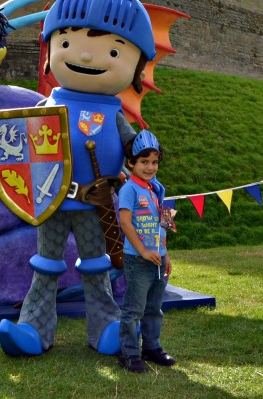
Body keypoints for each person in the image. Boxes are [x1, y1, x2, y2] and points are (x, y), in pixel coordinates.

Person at [0, 0, 157, 357]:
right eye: (67, 42)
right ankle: (33, 329)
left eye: (114, 52)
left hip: (95, 203)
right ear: (50, 48)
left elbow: (134, 147)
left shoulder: (115, 113)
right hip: (50, 199)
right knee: (46, 265)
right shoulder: (47, 107)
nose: (85, 56)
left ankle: (105, 326)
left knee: (97, 265)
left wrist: (146, 148)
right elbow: (19, 145)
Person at [117, 130, 175, 373]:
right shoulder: (129, 190)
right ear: (131, 163)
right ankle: (129, 353)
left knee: (154, 307)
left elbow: (163, 224)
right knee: (134, 308)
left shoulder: (157, 189)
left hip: (158, 258)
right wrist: (141, 250)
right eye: (144, 162)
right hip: (137, 259)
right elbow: (125, 223)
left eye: (154, 162)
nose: (150, 167)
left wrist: (165, 254)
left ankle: (151, 347)